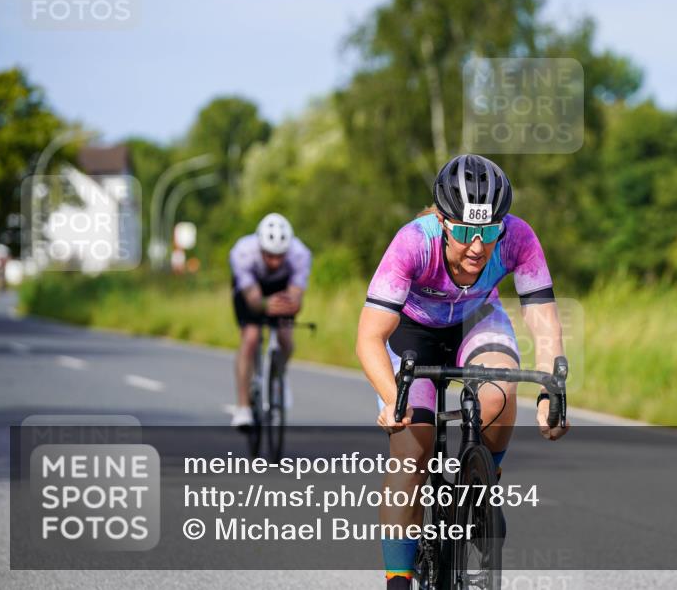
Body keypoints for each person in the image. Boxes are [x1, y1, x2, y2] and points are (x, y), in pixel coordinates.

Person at [356, 154, 570, 590]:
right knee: (411, 451)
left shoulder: (519, 237)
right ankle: (398, 579)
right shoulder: (414, 242)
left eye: (489, 231)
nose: (478, 246)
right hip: (413, 329)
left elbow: (543, 318)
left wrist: (552, 391)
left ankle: (484, 482)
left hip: (476, 318)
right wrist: (391, 398)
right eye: (467, 232)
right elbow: (370, 336)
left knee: (499, 391)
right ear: (442, 220)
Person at [228, 213, 311, 428]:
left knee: (285, 337)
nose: (275, 261)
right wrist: (264, 306)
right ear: (260, 247)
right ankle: (243, 406)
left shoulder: (300, 253)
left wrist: (293, 304)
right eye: (269, 255)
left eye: (280, 256)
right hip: (250, 290)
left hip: (282, 288)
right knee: (251, 337)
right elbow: (253, 299)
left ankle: (277, 378)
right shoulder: (243, 251)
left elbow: (297, 296)